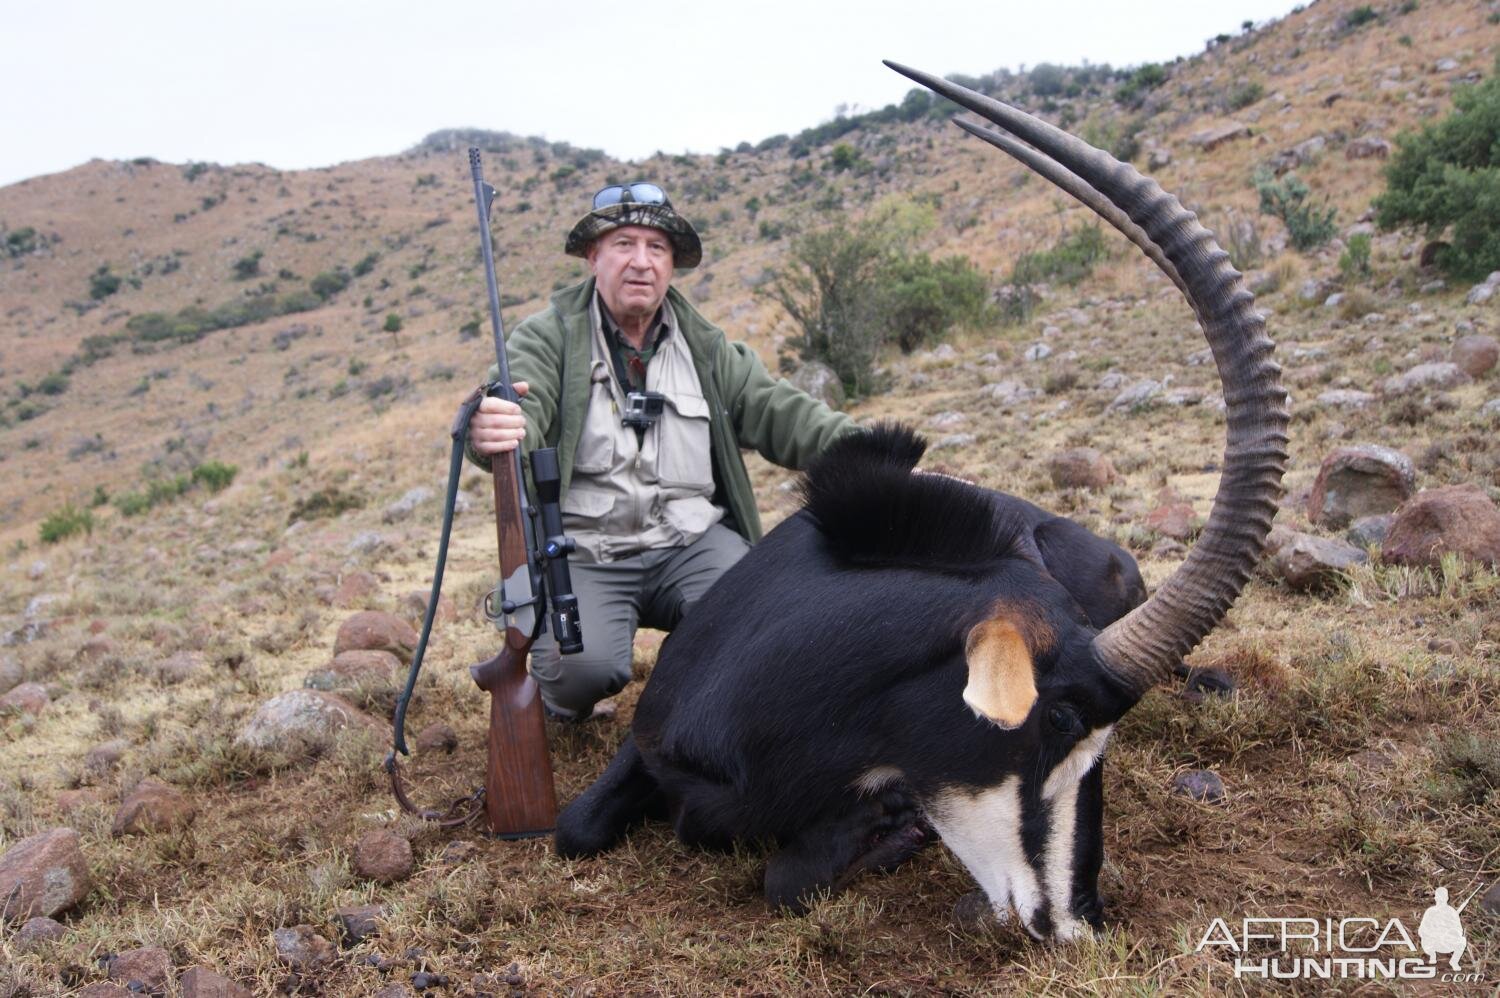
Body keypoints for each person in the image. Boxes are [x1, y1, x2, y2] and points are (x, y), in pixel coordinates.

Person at [465, 181, 855, 719]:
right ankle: (564, 698)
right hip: (588, 553)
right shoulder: (547, 338)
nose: (641, 262)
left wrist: (875, 454)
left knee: (761, 630)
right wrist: (497, 428)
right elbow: (522, 412)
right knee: (585, 672)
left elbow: (781, 412)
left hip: (690, 543)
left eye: (657, 248)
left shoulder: (706, 346)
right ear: (593, 257)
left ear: (672, 265)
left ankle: (697, 675)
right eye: (623, 244)